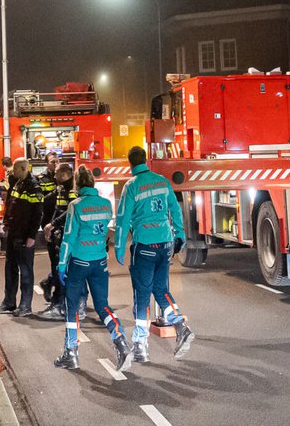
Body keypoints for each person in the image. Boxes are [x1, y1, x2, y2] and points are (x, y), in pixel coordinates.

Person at [114, 145, 194, 360]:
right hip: (165, 243)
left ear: (130, 163)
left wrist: (119, 248)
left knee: (142, 294)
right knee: (160, 290)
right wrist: (180, 235)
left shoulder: (131, 186)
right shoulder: (162, 181)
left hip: (145, 246)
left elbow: (122, 220)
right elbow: (174, 209)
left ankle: (140, 345)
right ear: (146, 159)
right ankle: (181, 327)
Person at [53, 166, 135, 372]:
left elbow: (69, 238)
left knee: (72, 307)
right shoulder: (106, 205)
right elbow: (107, 230)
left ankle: (70, 353)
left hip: (79, 263)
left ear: (77, 185)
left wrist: (61, 265)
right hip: (100, 262)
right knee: (102, 306)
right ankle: (121, 342)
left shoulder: (75, 206)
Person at [0, 158, 50, 316]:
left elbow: (37, 214)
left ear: (22, 168)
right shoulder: (18, 183)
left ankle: (25, 306)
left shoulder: (33, 187)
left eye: (15, 169)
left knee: (25, 270)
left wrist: (32, 236)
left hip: (24, 234)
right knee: (10, 268)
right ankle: (9, 302)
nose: (12, 172)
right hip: (14, 231)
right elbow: (11, 204)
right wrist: (6, 222)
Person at [38, 163, 77, 317]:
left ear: (64, 174)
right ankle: (57, 297)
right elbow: (57, 210)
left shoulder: (71, 191)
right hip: (58, 233)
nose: (54, 177)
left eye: (57, 174)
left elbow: (70, 211)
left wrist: (52, 225)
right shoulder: (61, 189)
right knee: (58, 267)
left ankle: (59, 303)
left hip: (65, 235)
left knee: (61, 268)